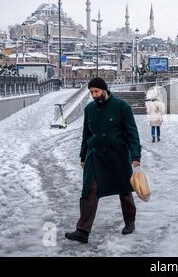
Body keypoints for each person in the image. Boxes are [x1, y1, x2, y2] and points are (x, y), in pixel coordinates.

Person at [65, 77, 142, 244]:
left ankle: (130, 222)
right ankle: (82, 231)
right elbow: (86, 134)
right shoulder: (90, 109)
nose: (94, 95)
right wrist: (83, 156)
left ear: (105, 90)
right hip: (95, 156)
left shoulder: (122, 107)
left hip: (118, 156)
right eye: (91, 92)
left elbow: (132, 133)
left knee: (124, 190)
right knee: (89, 191)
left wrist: (135, 156)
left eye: (96, 91)